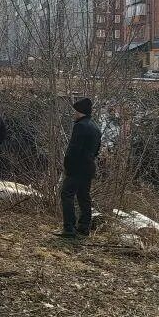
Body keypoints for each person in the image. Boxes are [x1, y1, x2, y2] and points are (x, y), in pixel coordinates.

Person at [56, 97, 102, 238]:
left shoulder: (80, 126)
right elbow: (96, 150)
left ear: (80, 112)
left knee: (67, 194)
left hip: (76, 168)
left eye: (75, 111)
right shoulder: (95, 127)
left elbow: (73, 149)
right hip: (89, 167)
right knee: (84, 197)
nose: (74, 114)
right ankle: (84, 226)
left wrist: (67, 165)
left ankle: (69, 228)